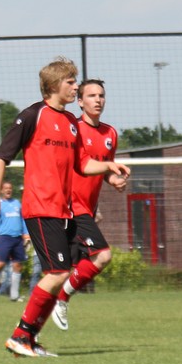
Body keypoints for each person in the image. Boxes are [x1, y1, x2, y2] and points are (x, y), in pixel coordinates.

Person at [0, 58, 129, 358]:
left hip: (64, 211)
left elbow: (83, 164)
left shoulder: (71, 124)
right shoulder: (33, 115)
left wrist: (109, 166)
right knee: (57, 272)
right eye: (70, 82)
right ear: (54, 85)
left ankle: (29, 340)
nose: (75, 87)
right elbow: (1, 156)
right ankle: (20, 335)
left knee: (61, 273)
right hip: (41, 207)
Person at [51, 79, 127, 330]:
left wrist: (113, 179)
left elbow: (103, 169)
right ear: (80, 101)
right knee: (102, 255)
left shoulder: (110, 133)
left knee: (62, 272)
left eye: (101, 95)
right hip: (70, 206)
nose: (98, 100)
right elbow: (75, 165)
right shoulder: (73, 129)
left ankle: (29, 330)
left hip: (87, 209)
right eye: (92, 95)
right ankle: (61, 299)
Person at [0, 181, 29, 303]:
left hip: (17, 238)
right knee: (0, 264)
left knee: (17, 265)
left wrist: (26, 234)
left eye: (10, 188)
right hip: (4, 237)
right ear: (2, 190)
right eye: (6, 188)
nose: (8, 190)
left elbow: (23, 219)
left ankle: (14, 296)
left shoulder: (17, 203)